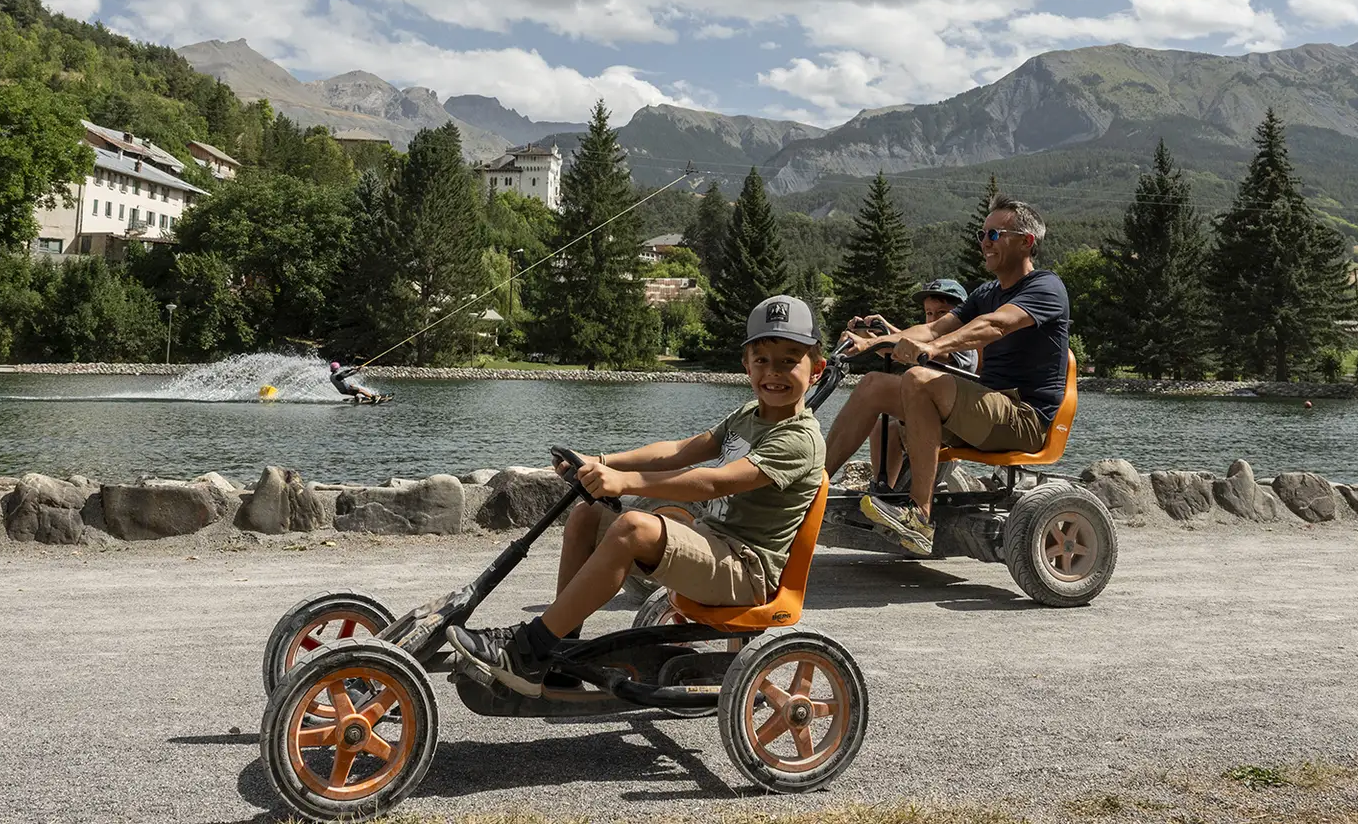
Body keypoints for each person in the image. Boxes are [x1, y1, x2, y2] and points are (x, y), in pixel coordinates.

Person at [448, 295, 827, 691]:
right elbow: (679, 450)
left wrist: (625, 482)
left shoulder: (798, 438)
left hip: (746, 570)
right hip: (713, 543)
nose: (773, 372)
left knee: (633, 528)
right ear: (746, 365)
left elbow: (716, 481)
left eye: (789, 360)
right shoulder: (749, 414)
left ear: (816, 369)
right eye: (762, 359)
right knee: (588, 514)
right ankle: (559, 654)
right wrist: (602, 461)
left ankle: (528, 650)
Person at [822, 198, 1069, 556]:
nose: (984, 242)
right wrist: (870, 343)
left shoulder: (1046, 287)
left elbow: (995, 325)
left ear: (1026, 242)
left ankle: (919, 517)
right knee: (873, 385)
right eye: (982, 234)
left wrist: (935, 348)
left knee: (919, 380)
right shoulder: (986, 293)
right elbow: (933, 328)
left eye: (994, 234)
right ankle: (809, 490)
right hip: (987, 410)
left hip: (1024, 419)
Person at [855, 279, 970, 489]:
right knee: (882, 427)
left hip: (954, 423)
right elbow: (898, 350)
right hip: (930, 416)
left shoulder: (963, 343)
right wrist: (867, 337)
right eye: (929, 313)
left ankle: (889, 490)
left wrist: (879, 337)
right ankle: (882, 488)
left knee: (885, 415)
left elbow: (916, 351)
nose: (933, 319)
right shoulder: (930, 343)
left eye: (942, 313)